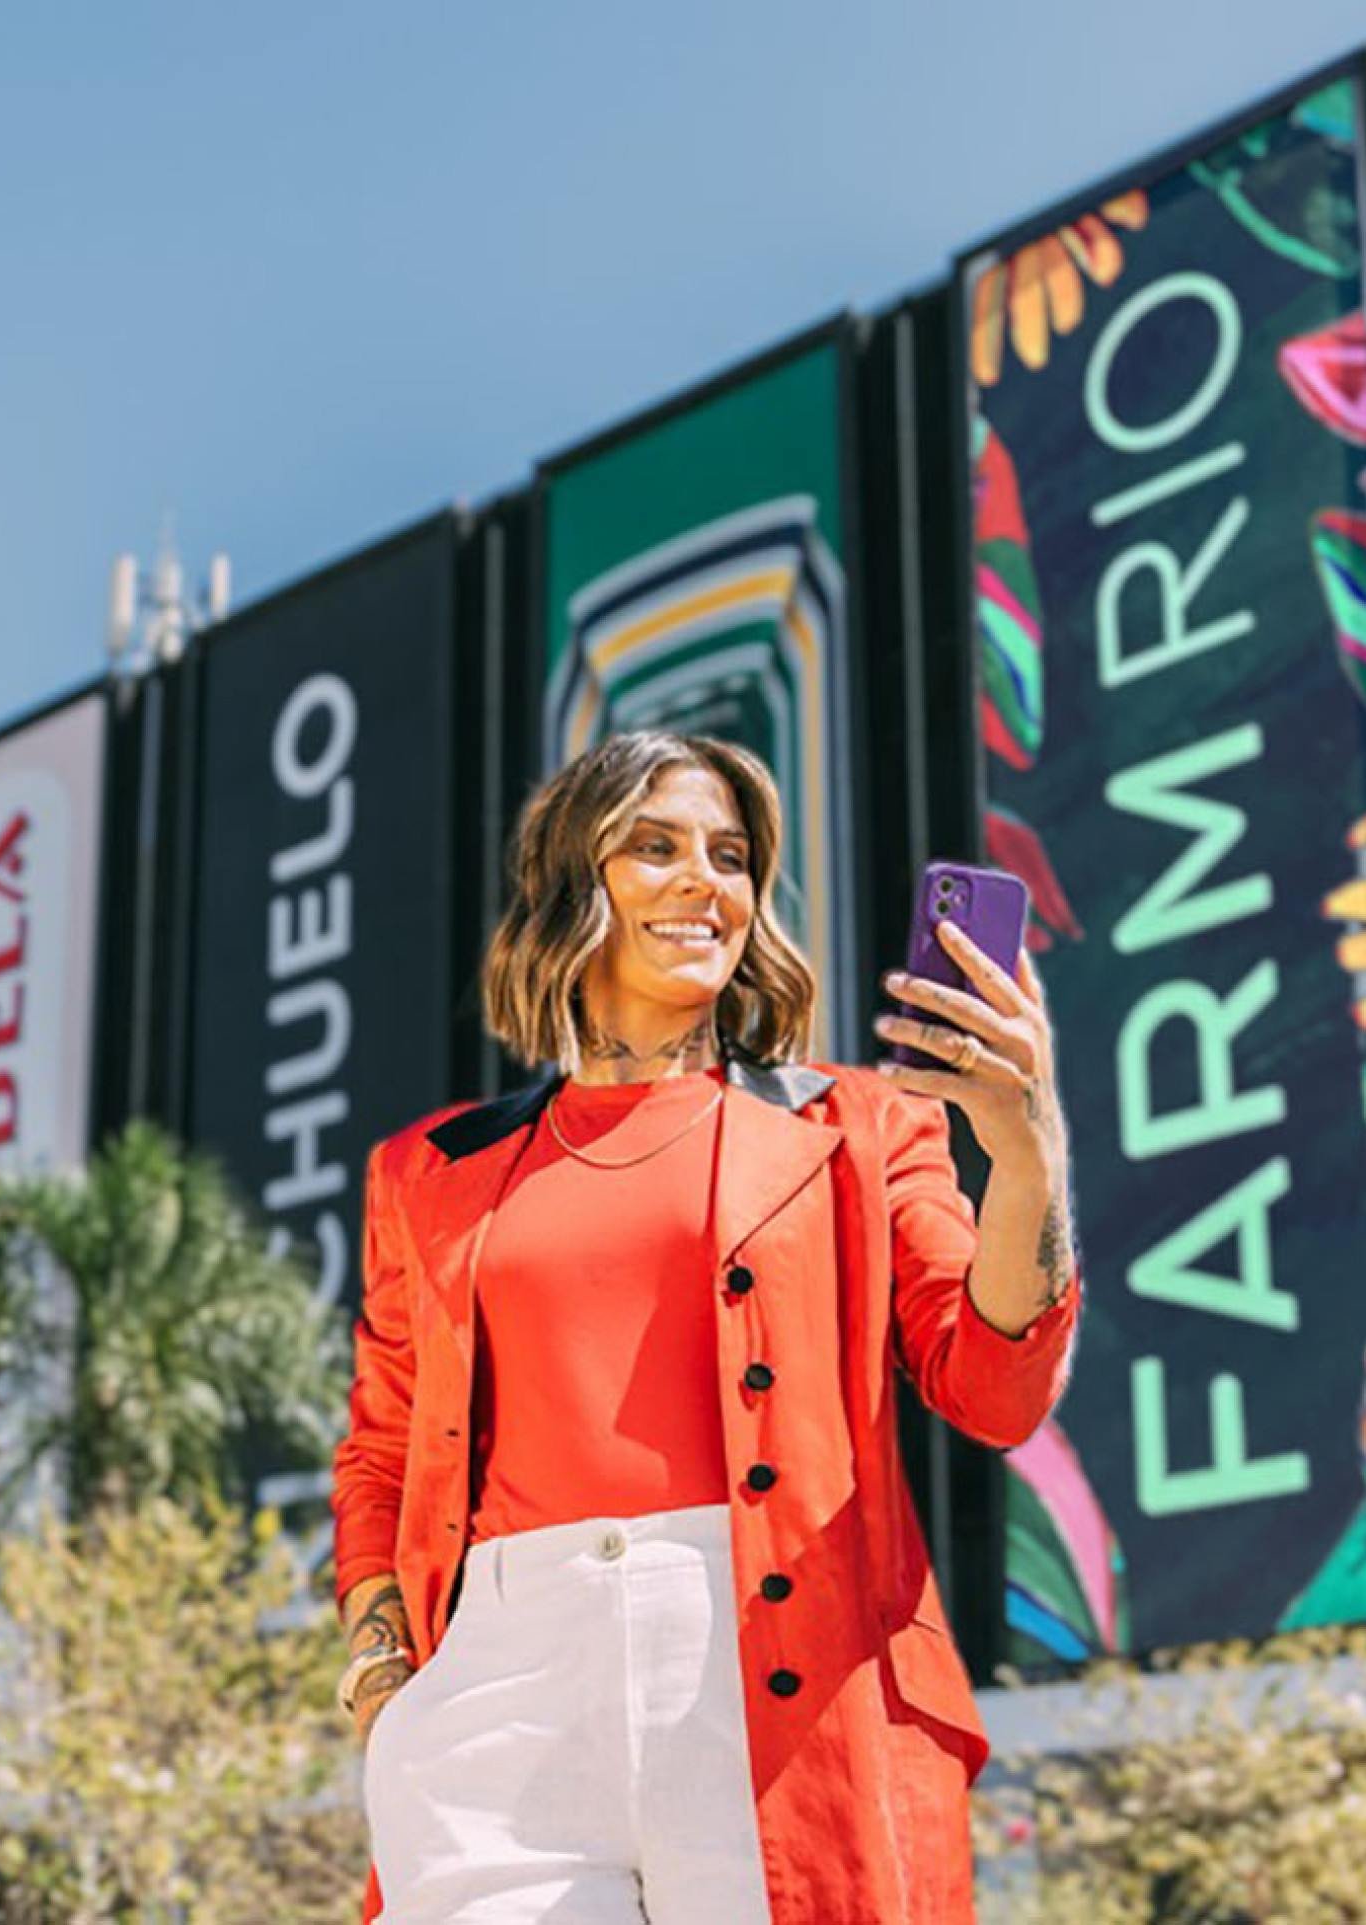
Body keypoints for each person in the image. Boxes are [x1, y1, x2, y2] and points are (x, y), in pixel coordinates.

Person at [328, 729, 1084, 1923]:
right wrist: (382, 1668)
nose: (705, 881)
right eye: (654, 846)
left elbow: (991, 1385)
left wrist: (1025, 1149)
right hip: (498, 1685)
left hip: (773, 1672)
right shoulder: (427, 1171)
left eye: (730, 855)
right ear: (576, 877)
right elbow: (379, 1450)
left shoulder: (858, 1125)